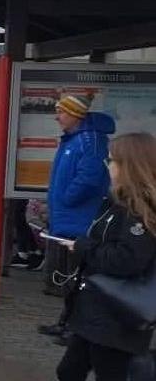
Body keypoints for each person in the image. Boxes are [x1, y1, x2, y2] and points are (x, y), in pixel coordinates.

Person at [28, 132, 156, 381]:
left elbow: (128, 261)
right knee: (69, 371)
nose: (108, 167)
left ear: (129, 166)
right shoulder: (118, 203)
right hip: (96, 308)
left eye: (113, 161)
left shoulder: (139, 211)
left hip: (117, 315)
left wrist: (83, 247)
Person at [42, 94, 114, 296]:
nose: (57, 117)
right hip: (67, 217)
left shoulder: (89, 141)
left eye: (61, 112)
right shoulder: (73, 139)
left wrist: (67, 199)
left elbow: (89, 178)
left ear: (75, 114)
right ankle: (65, 318)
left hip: (79, 218)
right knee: (63, 278)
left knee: (74, 277)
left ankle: (71, 319)